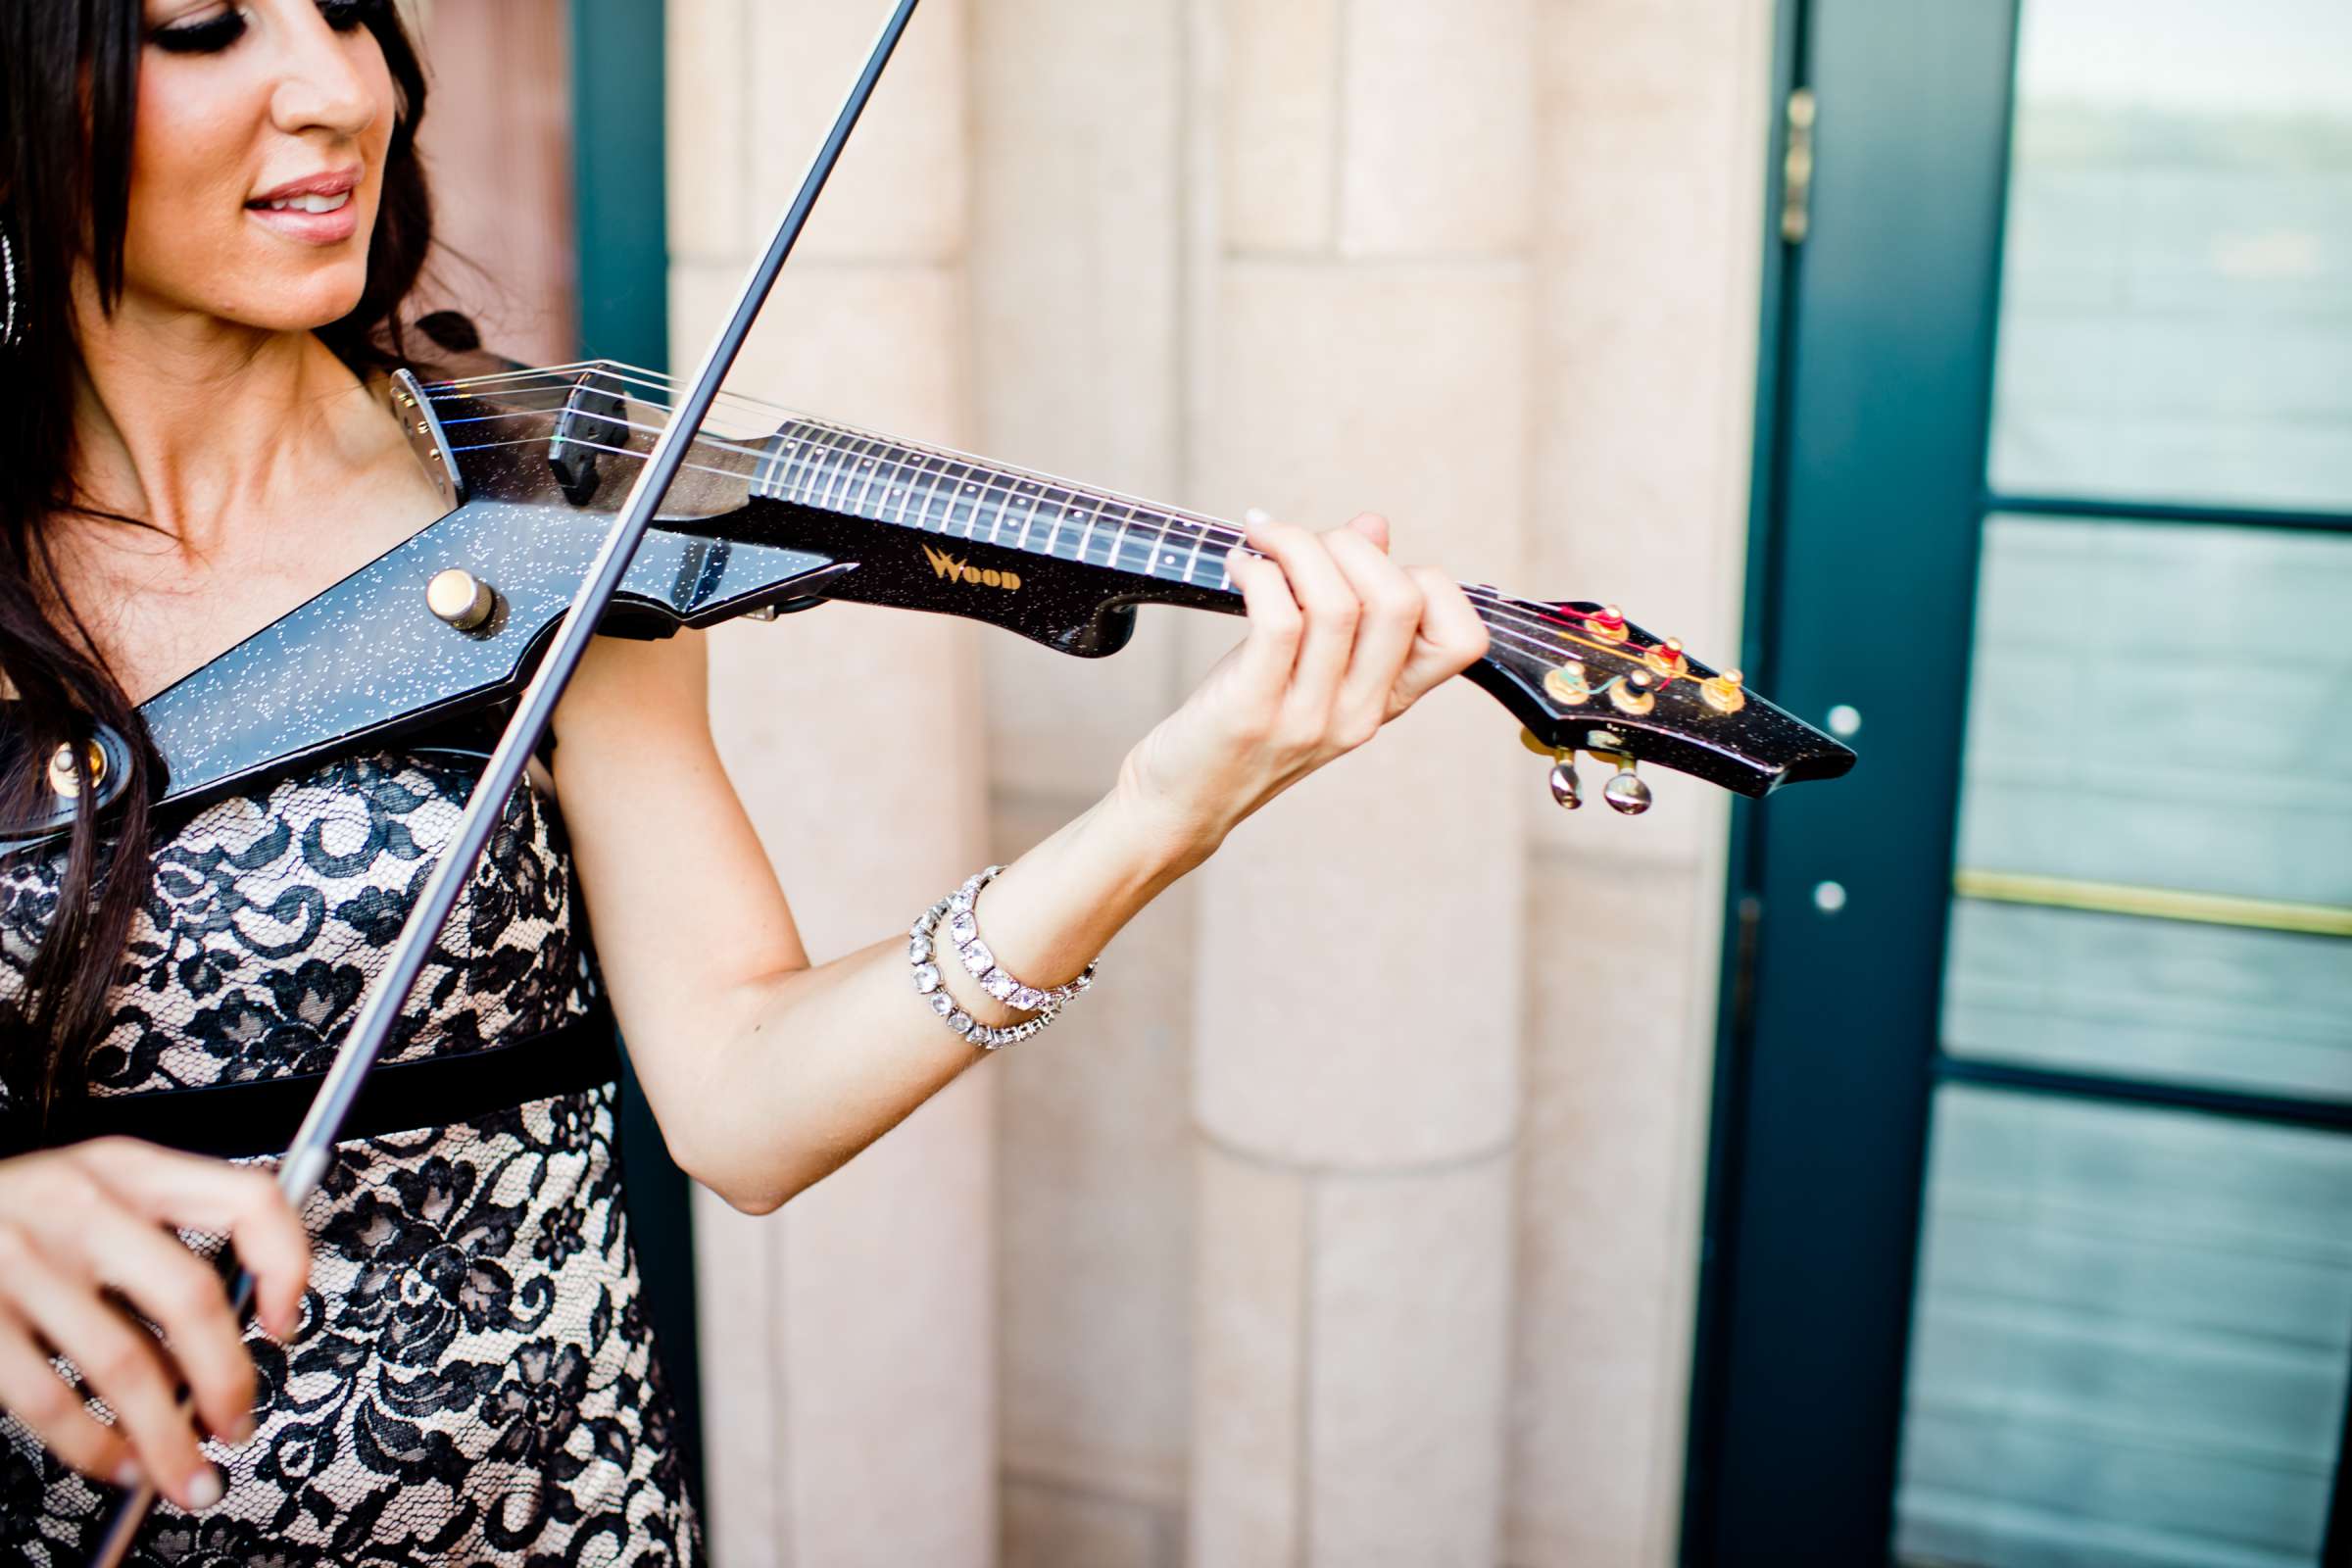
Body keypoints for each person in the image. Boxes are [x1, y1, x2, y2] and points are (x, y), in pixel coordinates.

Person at [0, 1, 1489, 1562]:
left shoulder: (540, 519)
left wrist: (1159, 816)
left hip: (543, 1522)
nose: (333, 92)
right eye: (205, 26)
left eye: (355, 12)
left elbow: (745, 1099)